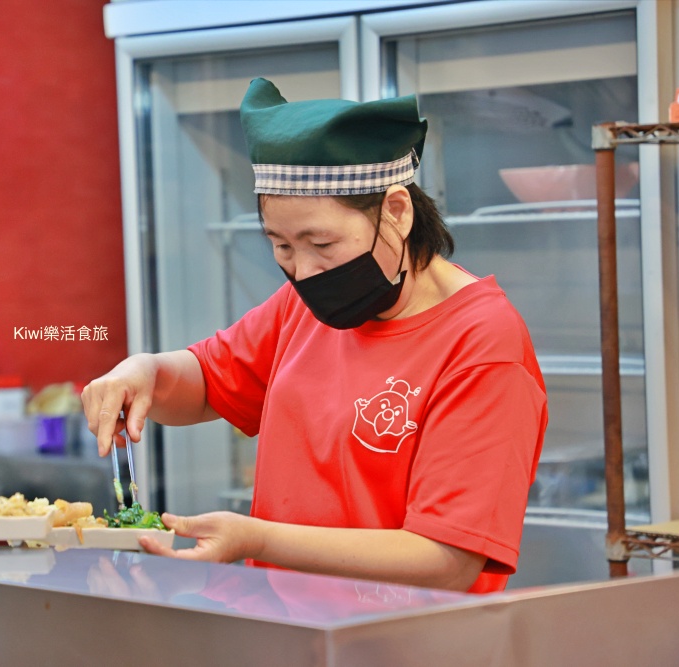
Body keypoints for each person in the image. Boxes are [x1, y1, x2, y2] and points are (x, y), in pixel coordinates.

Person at [82, 78, 548, 594]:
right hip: (288, 635)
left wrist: (257, 540)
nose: (303, 271)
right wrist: (143, 372)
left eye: (321, 242)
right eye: (281, 246)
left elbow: (446, 558)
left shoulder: (482, 343)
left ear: (396, 211)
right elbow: (210, 382)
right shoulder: (303, 307)